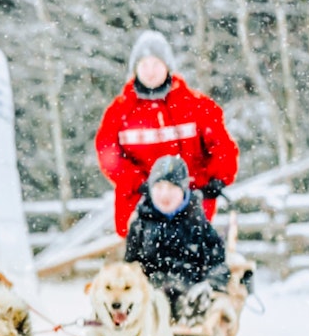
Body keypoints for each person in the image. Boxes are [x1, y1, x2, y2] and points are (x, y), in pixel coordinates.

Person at [95, 30, 239, 238]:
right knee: (142, 262)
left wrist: (215, 179)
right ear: (135, 69)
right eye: (144, 65)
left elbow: (222, 146)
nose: (150, 71)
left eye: (156, 64)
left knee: (193, 258)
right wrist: (141, 184)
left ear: (167, 67)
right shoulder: (119, 112)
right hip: (139, 208)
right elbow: (108, 155)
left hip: (192, 205)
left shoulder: (196, 106)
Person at [125, 155, 230, 323]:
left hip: (190, 295)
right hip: (151, 299)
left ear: (183, 190)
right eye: (159, 187)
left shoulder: (197, 221)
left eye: (172, 187)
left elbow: (217, 262)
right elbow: (130, 265)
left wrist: (210, 284)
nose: (164, 194)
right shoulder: (141, 224)